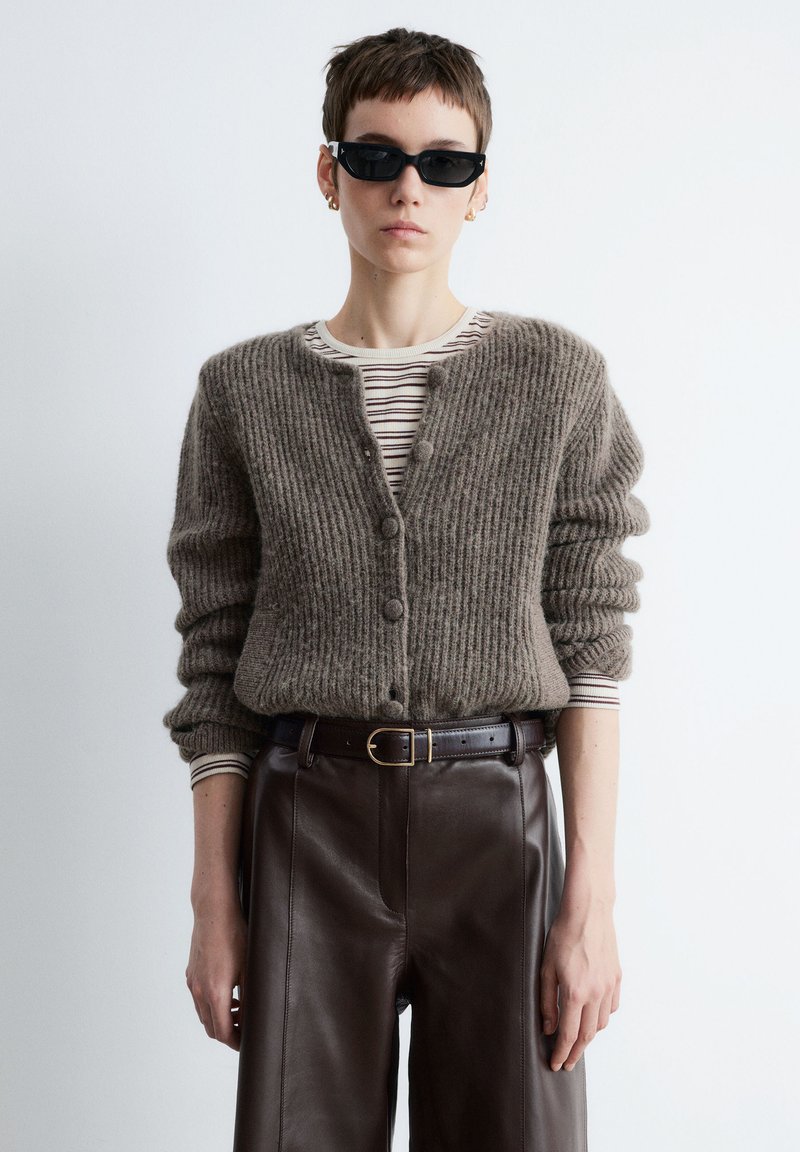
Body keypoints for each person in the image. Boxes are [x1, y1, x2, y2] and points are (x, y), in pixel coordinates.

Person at [163, 26, 650, 1152]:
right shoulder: (241, 392)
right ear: (328, 172)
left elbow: (591, 644)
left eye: (444, 161)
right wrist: (213, 901)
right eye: (376, 157)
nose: (408, 188)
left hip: (500, 826)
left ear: (479, 187)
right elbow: (214, 655)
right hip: (305, 825)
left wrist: (589, 903)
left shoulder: (556, 379)